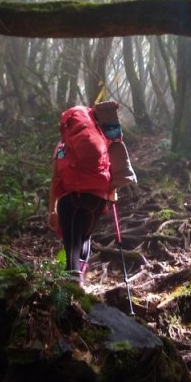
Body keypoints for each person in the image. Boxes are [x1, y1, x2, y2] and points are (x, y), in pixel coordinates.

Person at [48, 111, 116, 285]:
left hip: (70, 199)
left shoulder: (62, 147)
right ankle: (79, 283)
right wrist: (111, 194)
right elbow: (112, 169)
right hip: (97, 200)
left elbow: (56, 179)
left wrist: (52, 210)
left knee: (72, 241)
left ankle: (72, 286)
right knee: (85, 237)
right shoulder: (101, 141)